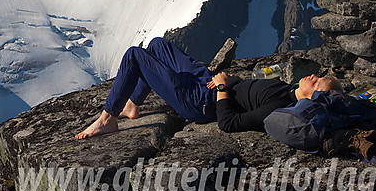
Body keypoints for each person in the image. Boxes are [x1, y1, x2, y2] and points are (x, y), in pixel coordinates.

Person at [76, 37, 341, 139]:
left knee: (135, 55)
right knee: (157, 45)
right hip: (208, 83)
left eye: (316, 81)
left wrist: (224, 88)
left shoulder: (279, 108)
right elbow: (247, 91)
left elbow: (229, 122)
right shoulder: (285, 89)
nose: (313, 76)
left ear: (314, 95)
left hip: (200, 102)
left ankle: (107, 119)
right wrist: (229, 78)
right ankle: (132, 104)